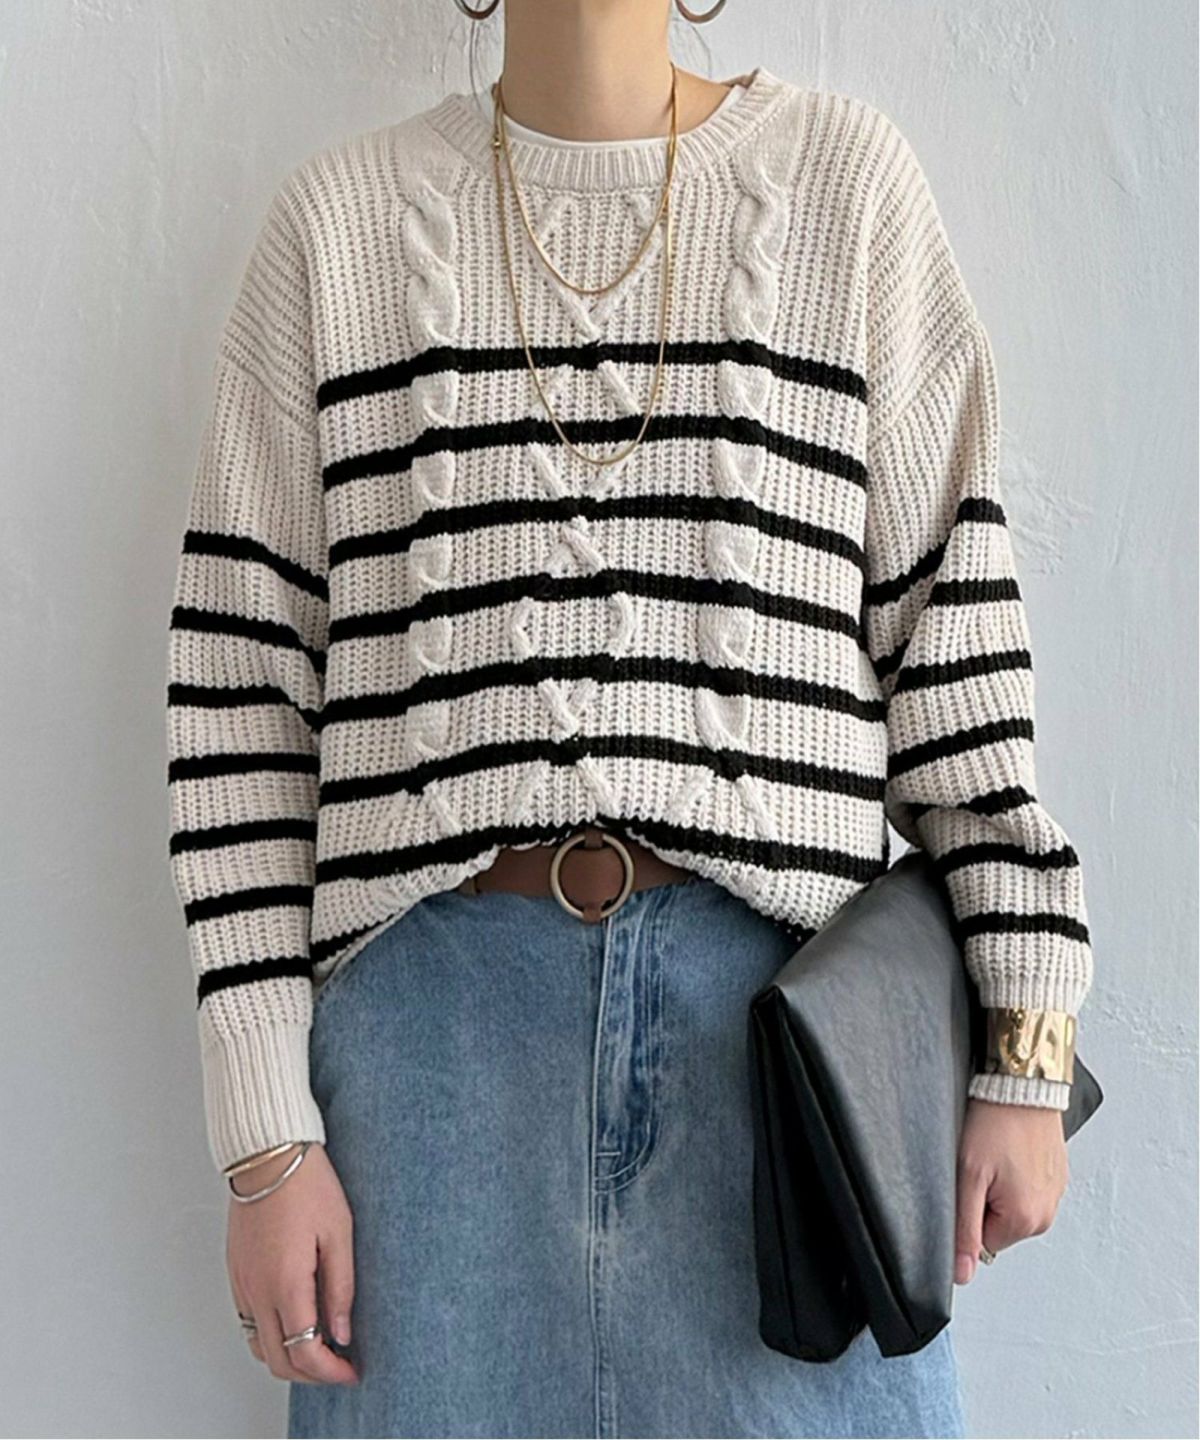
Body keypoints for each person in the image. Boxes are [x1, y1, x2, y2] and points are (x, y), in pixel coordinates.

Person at [164, 2, 1093, 1435]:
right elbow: (236, 700)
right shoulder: (334, 234)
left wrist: (1023, 1043)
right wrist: (263, 1142)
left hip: (787, 1062)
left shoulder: (849, 192)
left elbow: (957, 652)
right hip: (428, 1073)